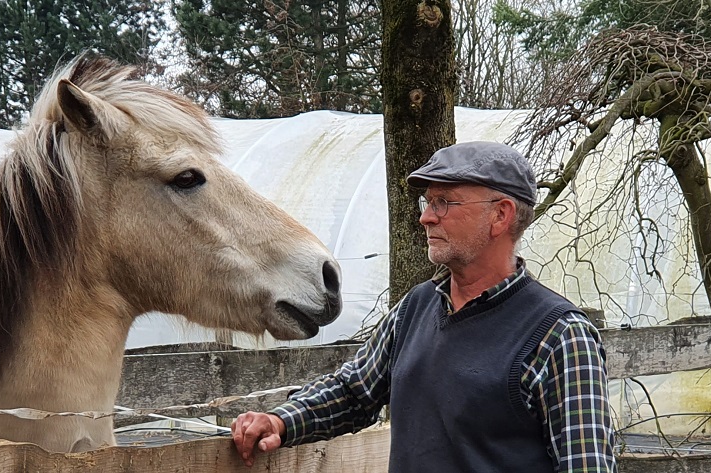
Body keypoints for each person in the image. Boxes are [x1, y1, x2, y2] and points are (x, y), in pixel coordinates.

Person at [231, 141, 616, 472]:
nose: (425, 217)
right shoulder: (415, 308)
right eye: (427, 201)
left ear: (501, 215)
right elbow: (353, 392)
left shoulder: (559, 335)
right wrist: (281, 420)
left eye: (444, 202)